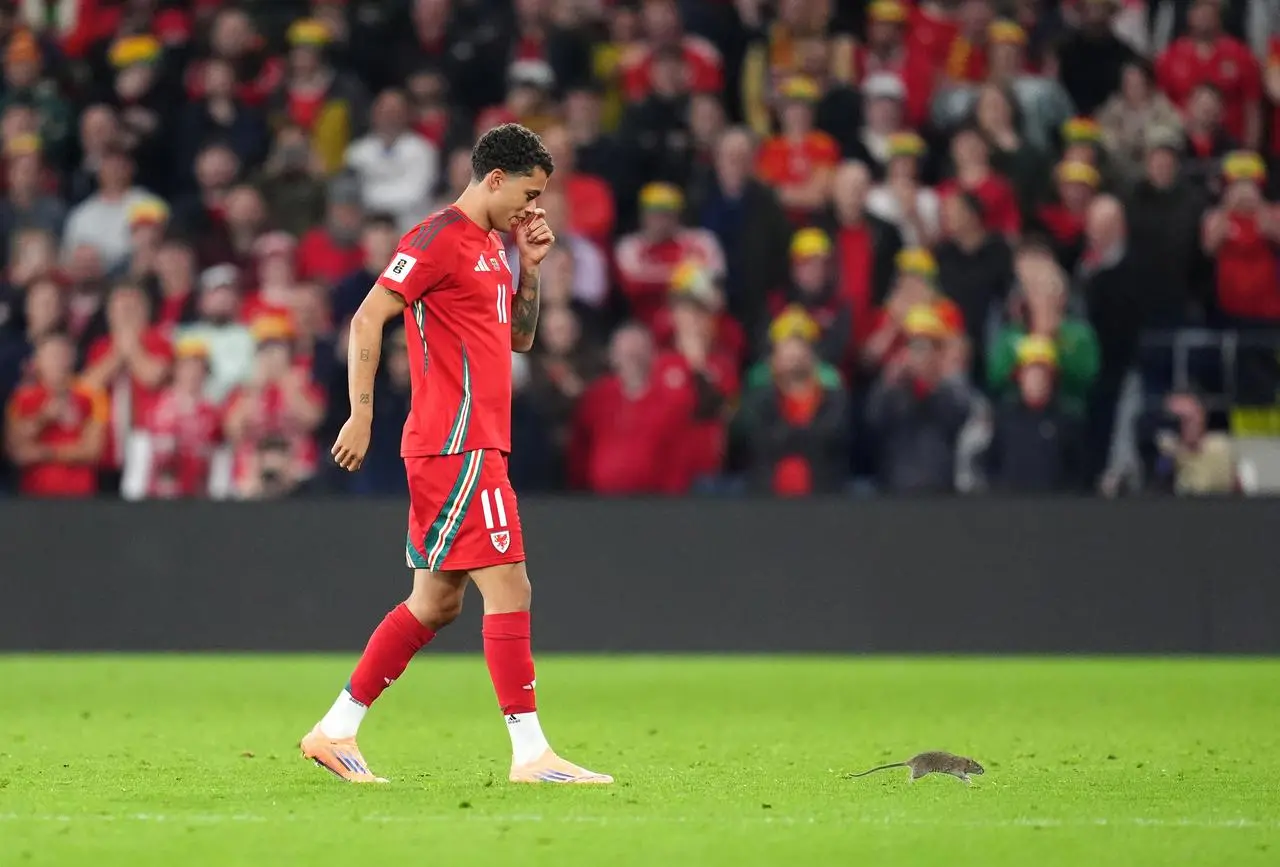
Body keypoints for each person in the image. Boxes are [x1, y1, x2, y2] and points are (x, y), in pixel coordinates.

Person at [302, 124, 610, 785]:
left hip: (468, 443)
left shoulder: (492, 250)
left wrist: (530, 267)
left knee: (436, 603)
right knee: (511, 586)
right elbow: (367, 316)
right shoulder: (436, 238)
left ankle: (335, 728)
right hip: (457, 443)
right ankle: (531, 754)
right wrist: (362, 411)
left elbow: (519, 340)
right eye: (528, 194)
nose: (533, 209)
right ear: (494, 179)